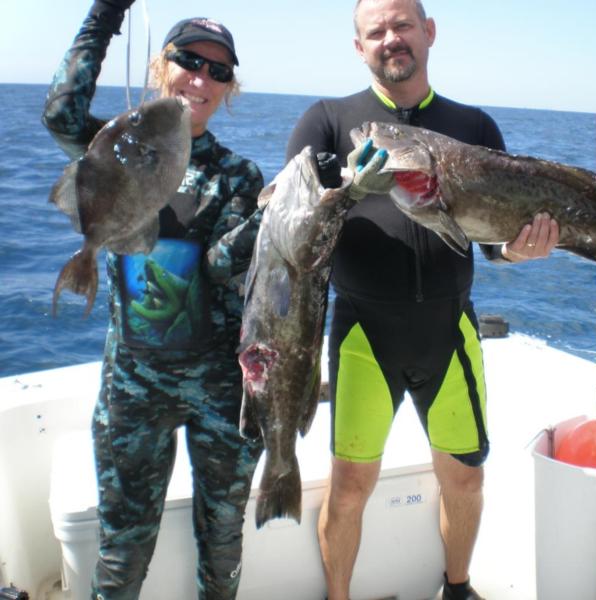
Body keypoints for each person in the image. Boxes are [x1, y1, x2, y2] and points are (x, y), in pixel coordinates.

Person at [284, 1, 560, 598]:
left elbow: (492, 246)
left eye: (402, 24)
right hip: (363, 333)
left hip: (448, 332)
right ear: (359, 47)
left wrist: (521, 251)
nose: (391, 39)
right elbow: (290, 229)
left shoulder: (476, 126)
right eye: (375, 30)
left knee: (464, 481)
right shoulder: (328, 123)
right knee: (350, 486)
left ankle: (456, 587)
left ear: (429, 32)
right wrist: (349, 189)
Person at [42, 2, 264, 598]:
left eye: (218, 71)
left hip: (222, 388)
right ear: (161, 66)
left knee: (222, 544)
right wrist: (106, 13)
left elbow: (220, 269)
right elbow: (60, 111)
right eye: (189, 61)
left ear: (229, 88)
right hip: (132, 389)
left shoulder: (238, 177)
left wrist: (275, 214)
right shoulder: (115, 147)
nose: (201, 78)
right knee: (122, 551)